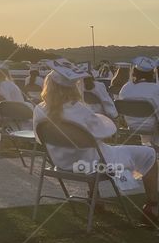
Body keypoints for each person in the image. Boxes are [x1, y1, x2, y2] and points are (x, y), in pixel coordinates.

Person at [35, 61, 158, 224]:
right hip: (93, 166)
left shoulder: (39, 110)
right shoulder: (78, 109)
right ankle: (153, 205)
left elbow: (39, 139)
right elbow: (105, 132)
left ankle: (96, 199)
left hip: (62, 163)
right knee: (149, 154)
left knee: (94, 153)